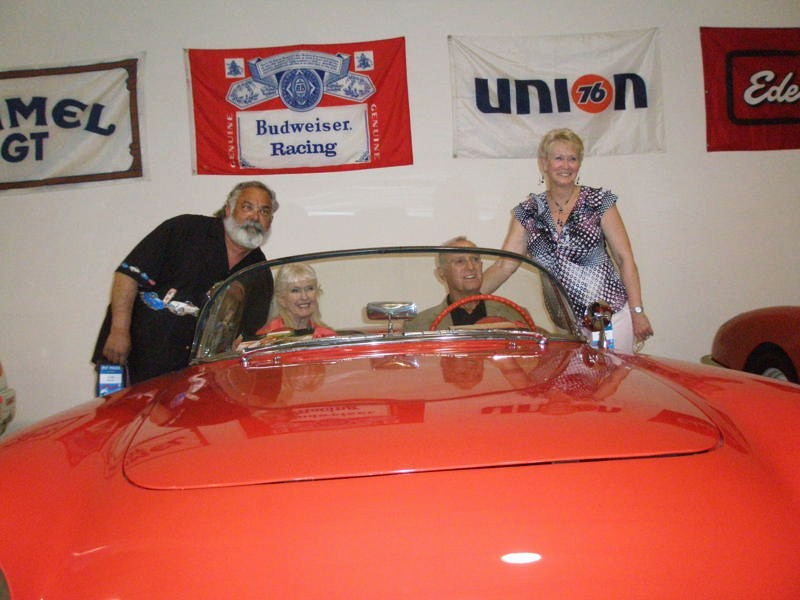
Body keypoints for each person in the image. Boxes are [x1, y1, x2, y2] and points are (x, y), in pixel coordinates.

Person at [481, 128, 653, 353]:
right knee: (571, 388)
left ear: (579, 164)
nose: (566, 165)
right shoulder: (529, 212)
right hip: (566, 329)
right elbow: (505, 266)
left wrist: (637, 312)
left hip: (608, 319)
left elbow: (625, 258)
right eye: (558, 158)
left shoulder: (599, 201)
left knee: (612, 384)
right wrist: (467, 295)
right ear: (544, 163)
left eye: (572, 159)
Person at [92, 181, 278, 385]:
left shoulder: (258, 271)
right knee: (120, 416)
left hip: (191, 380)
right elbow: (127, 276)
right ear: (228, 210)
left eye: (264, 211)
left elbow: (248, 334)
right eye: (247, 207)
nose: (255, 217)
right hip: (132, 356)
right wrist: (119, 331)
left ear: (270, 220)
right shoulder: (183, 230)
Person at [406, 236, 526, 331]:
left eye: (475, 259)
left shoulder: (514, 315)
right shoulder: (420, 325)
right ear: (441, 274)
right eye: (460, 261)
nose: (471, 267)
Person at [257, 263, 336, 338]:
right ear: (281, 299)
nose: (304, 297)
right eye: (295, 290)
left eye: (309, 288)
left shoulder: (327, 336)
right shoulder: (266, 338)